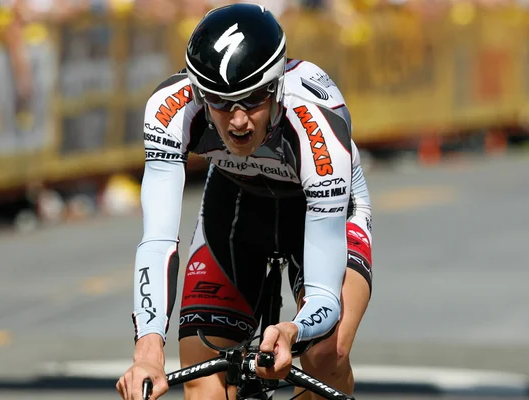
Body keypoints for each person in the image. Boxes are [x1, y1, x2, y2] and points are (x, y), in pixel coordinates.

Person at [117, 4, 373, 400]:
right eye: (220, 102)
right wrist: (148, 349)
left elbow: (324, 294)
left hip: (317, 211)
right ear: (199, 93)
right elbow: (158, 240)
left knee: (326, 354)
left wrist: (293, 330)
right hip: (236, 204)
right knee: (202, 377)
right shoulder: (171, 108)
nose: (237, 120)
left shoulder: (316, 122)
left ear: (276, 87)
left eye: (252, 99)